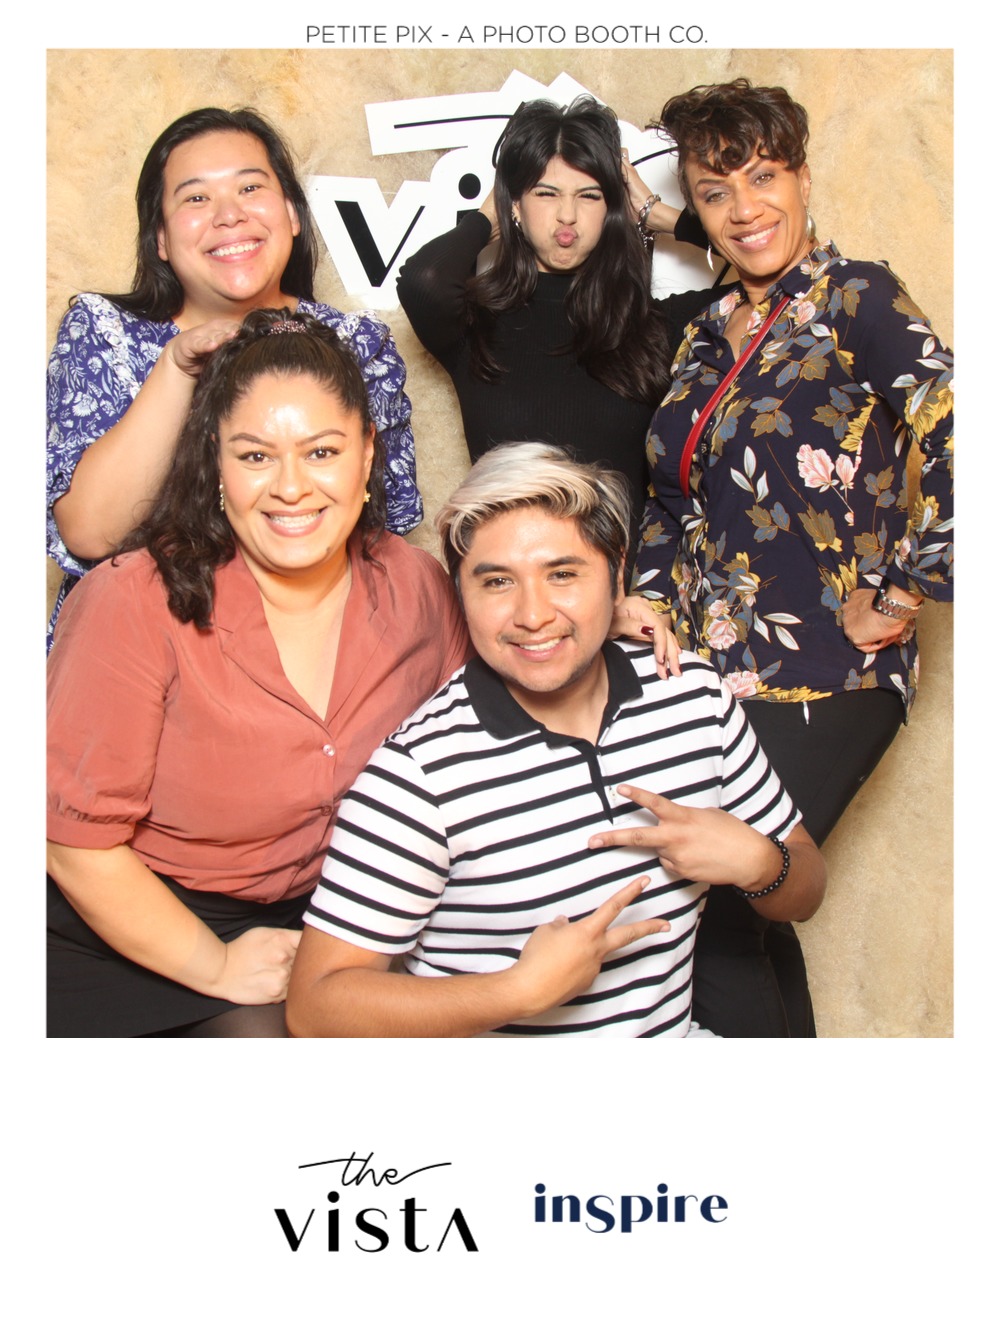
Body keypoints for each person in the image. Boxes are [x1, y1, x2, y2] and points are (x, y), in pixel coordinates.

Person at [286, 444, 826, 1038]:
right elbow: (313, 1008)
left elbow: (806, 886)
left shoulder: (692, 695)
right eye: (497, 582)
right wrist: (516, 992)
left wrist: (760, 863)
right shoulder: (417, 776)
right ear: (461, 594)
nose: (533, 614)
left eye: (563, 574)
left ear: (617, 576)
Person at [630, 79, 954, 1037]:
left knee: (721, 907)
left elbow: (963, 433)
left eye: (764, 177)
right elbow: (671, 500)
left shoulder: (857, 296)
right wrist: (646, 600)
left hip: (828, 666)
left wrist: (903, 592)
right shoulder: (705, 334)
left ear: (804, 177)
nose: (744, 208)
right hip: (710, 672)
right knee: (748, 919)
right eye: (716, 191)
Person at [47, 310, 469, 1038]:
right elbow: (71, 841)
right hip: (129, 925)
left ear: (368, 453)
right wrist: (215, 966)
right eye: (255, 457)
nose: (291, 488)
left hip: (330, 919)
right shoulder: (129, 601)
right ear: (215, 464)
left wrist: (596, 624)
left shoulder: (416, 586)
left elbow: (480, 736)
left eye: (322, 451)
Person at [46, 106, 421, 649]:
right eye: (196, 198)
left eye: (250, 188)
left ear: (292, 213)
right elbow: (90, 533)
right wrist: (177, 369)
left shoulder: (358, 345)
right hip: (135, 648)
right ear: (160, 238)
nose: (228, 215)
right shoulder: (106, 331)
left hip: (305, 650)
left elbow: (379, 535)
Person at [396, 96, 719, 544]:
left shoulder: (653, 325)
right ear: (516, 203)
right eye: (546, 194)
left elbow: (783, 267)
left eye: (589, 195)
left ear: (612, 208)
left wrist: (653, 211)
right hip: (504, 577)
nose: (567, 214)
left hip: (622, 584)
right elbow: (423, 279)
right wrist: (490, 214)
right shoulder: (475, 325)